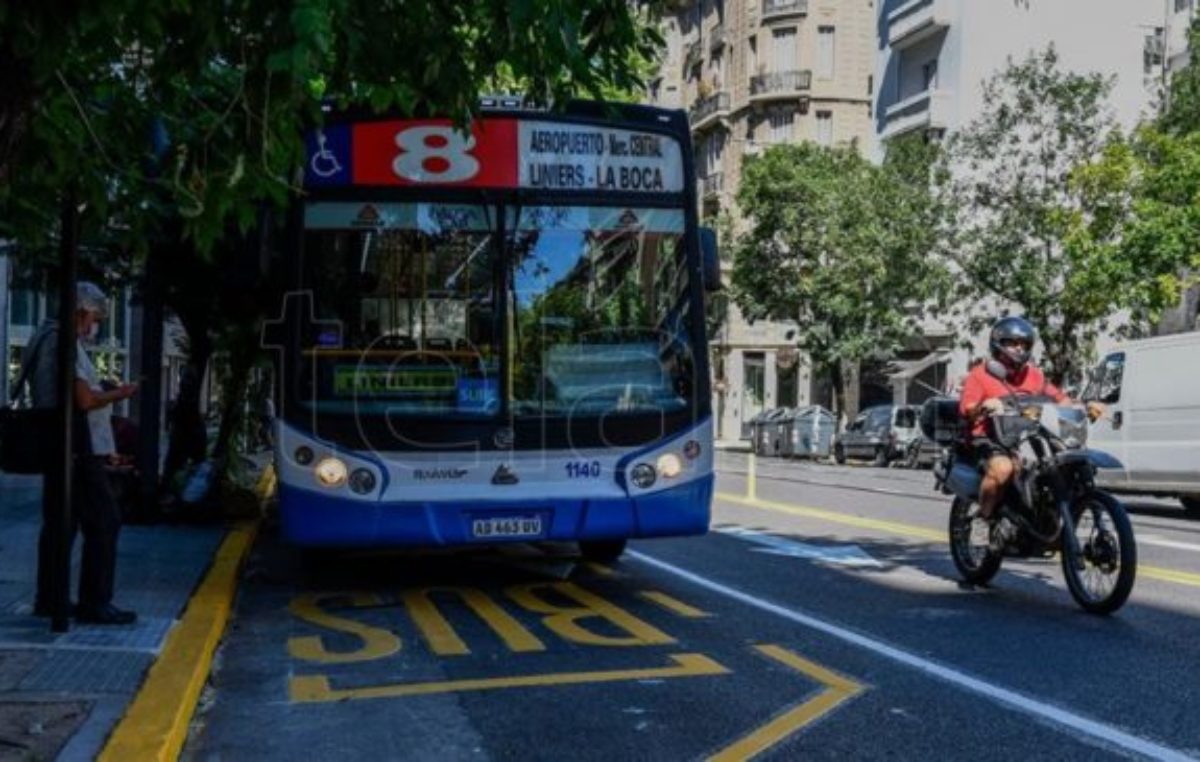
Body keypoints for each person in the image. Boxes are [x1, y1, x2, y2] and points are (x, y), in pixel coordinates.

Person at [25, 281, 139, 625]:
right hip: (78, 448)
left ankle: (50, 597)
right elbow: (84, 400)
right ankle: (95, 601)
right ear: (83, 312)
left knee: (61, 523)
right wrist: (118, 394)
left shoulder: (43, 336)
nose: (95, 324)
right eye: (94, 317)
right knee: (105, 521)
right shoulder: (64, 341)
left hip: (61, 446)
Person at [958, 317, 1103, 550]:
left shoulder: (1034, 375)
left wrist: (1084, 405)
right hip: (988, 437)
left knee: (1063, 462)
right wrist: (985, 406)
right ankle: (982, 522)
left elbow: (1060, 399)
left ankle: (1051, 517)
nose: (1020, 349)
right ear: (998, 344)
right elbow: (967, 408)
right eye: (1014, 343)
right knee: (1003, 468)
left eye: (1025, 344)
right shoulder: (981, 374)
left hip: (1028, 435)